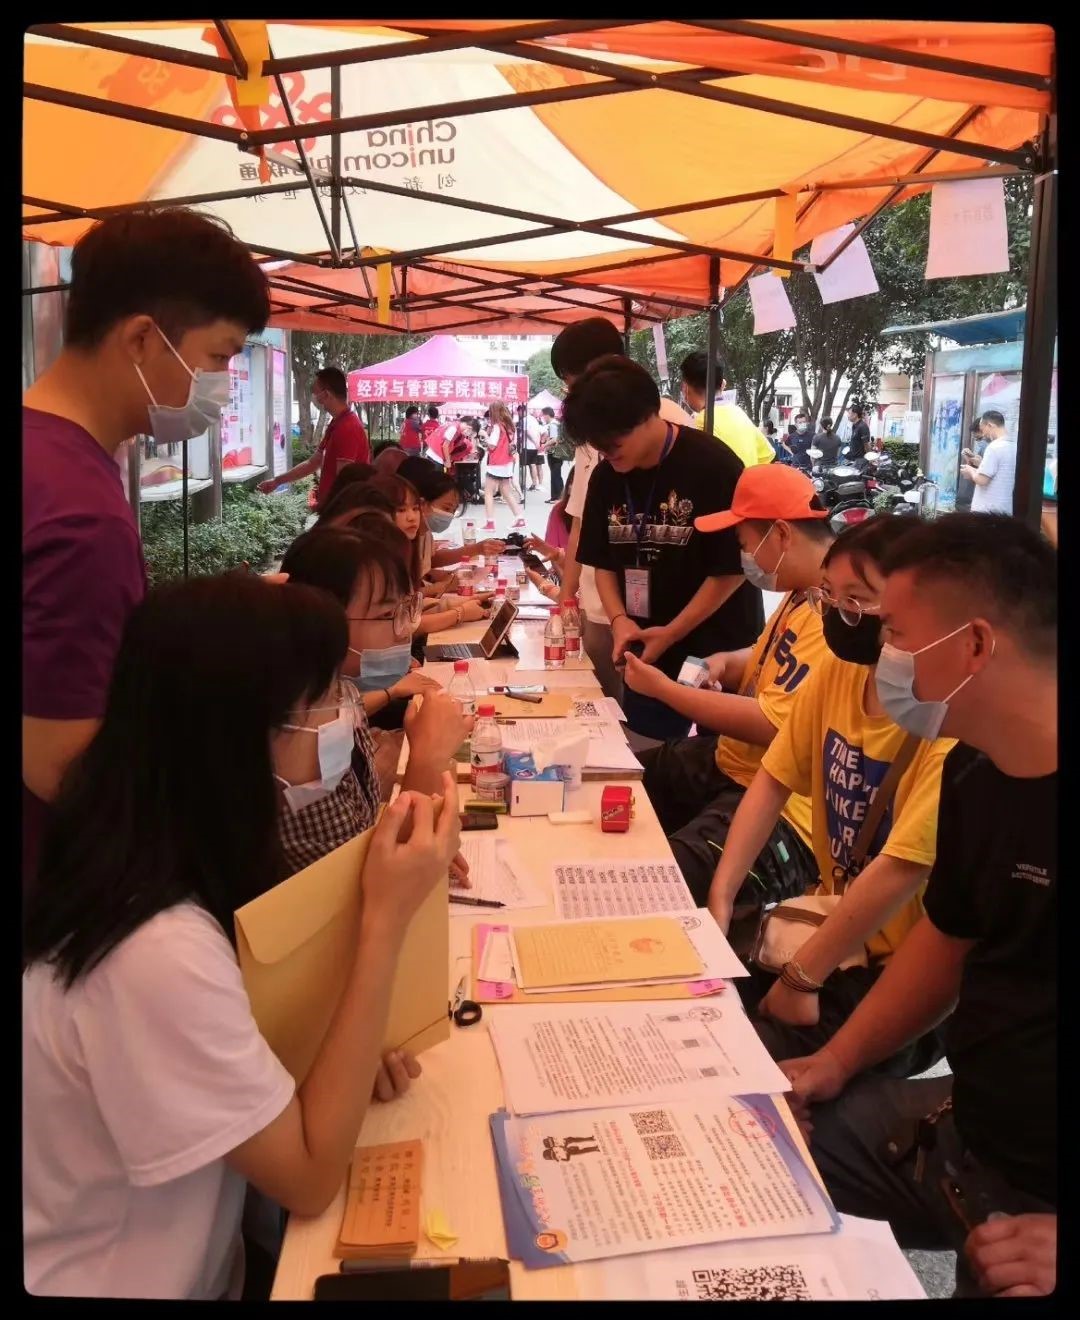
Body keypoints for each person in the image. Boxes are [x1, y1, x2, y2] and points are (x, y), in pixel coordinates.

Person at [22, 573, 460, 1298]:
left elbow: (254, 1047)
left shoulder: (157, 859)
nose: (345, 715)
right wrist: (385, 921)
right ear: (239, 737)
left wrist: (342, 1060)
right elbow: (310, 1177)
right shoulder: (152, 949)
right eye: (323, 699)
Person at [782, 514, 1056, 1299]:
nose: (884, 654)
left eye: (896, 632)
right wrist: (834, 1062)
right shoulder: (975, 769)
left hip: (1038, 1199)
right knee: (758, 1144)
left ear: (975, 645)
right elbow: (945, 938)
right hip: (969, 1128)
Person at [23, 206, 270, 897]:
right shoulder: (81, 514)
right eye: (218, 357)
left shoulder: (49, 458)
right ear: (140, 338)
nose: (222, 385)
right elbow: (63, 766)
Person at [707, 517, 953, 1076]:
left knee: (738, 1068)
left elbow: (902, 868)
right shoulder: (840, 672)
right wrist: (721, 895)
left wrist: (802, 978)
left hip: (894, 971)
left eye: (858, 600)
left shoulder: (947, 723)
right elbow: (773, 779)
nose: (840, 614)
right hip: (824, 926)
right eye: (829, 595)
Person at [629, 465, 834, 908]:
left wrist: (665, 690)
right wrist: (724, 663)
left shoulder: (833, 617)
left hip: (786, 808)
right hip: (733, 763)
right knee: (620, 781)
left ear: (781, 534)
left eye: (744, 543)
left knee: (654, 886)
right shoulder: (801, 593)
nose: (744, 557)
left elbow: (773, 725)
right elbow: (766, 656)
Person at [568, 355, 763, 741]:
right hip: (647, 648)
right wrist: (620, 620)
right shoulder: (607, 476)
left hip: (718, 650)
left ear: (647, 414)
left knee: (719, 757)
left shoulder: (713, 465)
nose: (607, 452)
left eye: (614, 442)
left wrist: (673, 631)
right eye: (598, 445)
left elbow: (731, 569)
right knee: (649, 753)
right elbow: (602, 561)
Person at [279, 528, 473, 845]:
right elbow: (364, 872)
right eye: (387, 615)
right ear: (318, 621)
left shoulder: (339, 694)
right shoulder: (299, 733)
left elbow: (364, 827)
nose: (405, 630)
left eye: (406, 610)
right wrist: (427, 757)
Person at [551, 317, 692, 703]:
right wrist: (568, 597)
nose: (570, 392)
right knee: (602, 707)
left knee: (643, 709)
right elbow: (581, 521)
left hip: (659, 613)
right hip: (604, 602)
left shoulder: (661, 421)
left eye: (571, 380)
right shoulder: (591, 426)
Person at [259, 368, 370, 505]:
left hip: (341, 511)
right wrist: (277, 481)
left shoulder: (348, 428)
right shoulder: (337, 423)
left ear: (326, 394)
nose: (314, 398)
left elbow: (344, 482)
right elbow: (312, 463)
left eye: (316, 393)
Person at [396, 455, 502, 573]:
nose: (449, 515)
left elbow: (429, 562)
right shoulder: (398, 539)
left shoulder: (424, 533)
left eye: (453, 510)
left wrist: (476, 550)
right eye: (402, 509)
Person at [679, 351, 775, 468]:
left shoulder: (702, 422)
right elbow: (768, 455)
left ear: (685, 388)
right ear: (722, 384)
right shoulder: (738, 413)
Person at [480, 401, 526, 531]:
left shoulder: (497, 427)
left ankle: (490, 523)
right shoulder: (511, 426)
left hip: (497, 463)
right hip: (507, 462)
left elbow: (492, 445)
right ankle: (520, 518)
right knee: (506, 492)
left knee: (488, 492)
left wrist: (485, 436)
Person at [961, 409, 1016, 515]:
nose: (984, 435)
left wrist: (970, 470)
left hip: (986, 510)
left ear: (990, 425)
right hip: (1004, 509)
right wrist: (979, 464)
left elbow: (982, 480)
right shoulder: (1014, 446)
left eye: (983, 430)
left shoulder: (994, 447)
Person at [955, 420, 987, 511]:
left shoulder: (990, 448)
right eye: (976, 439)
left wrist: (970, 469)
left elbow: (985, 472)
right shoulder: (985, 448)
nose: (978, 442)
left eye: (979, 438)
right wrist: (970, 458)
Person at [542, 406, 567, 502]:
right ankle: (555, 496)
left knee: (555, 475)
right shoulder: (556, 423)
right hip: (557, 453)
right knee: (555, 474)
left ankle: (559, 496)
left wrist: (544, 445)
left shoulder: (553, 425)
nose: (543, 418)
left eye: (543, 415)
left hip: (555, 453)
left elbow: (554, 439)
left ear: (547, 415)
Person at [523, 409, 545, 491]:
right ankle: (535, 483)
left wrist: (536, 442)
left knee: (532, 465)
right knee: (533, 465)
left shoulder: (526, 419)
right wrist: (539, 442)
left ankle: (535, 483)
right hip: (535, 446)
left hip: (530, 446)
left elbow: (527, 432)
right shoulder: (534, 420)